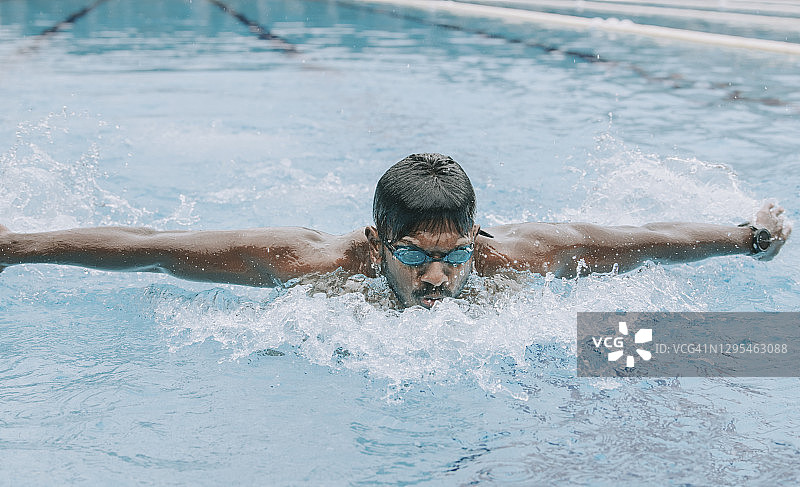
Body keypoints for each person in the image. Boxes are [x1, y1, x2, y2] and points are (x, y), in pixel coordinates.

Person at [0, 153, 791, 309]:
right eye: (414, 254)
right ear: (377, 245)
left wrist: (745, 236)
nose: (437, 277)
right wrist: (16, 247)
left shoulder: (522, 260)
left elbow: (645, 237)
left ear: (477, 241)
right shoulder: (309, 263)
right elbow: (151, 252)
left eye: (454, 257)